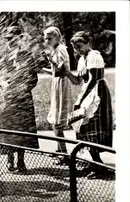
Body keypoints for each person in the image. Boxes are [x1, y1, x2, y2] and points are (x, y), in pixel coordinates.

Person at [62, 31, 113, 179]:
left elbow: (92, 80)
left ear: (87, 43)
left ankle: (99, 166)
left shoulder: (94, 57)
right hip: (88, 93)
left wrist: (79, 101)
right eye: (75, 48)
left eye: (80, 46)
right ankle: (96, 164)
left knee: (92, 127)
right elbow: (78, 81)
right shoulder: (81, 59)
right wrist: (65, 72)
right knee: (84, 127)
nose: (78, 50)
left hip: (98, 93)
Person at [0, 26, 42, 173]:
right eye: (7, 39)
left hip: (23, 98)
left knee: (22, 129)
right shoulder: (5, 58)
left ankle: (21, 161)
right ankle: (10, 160)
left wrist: (23, 88)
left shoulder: (26, 55)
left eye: (12, 38)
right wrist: (3, 84)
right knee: (9, 128)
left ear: (19, 38)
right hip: (9, 98)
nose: (9, 42)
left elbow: (33, 78)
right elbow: (0, 77)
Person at [41, 26, 73, 166]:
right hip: (57, 83)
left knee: (57, 122)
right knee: (55, 121)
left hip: (62, 85)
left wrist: (50, 59)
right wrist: (40, 68)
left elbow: (61, 69)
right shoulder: (55, 50)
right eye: (45, 38)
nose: (46, 40)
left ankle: (64, 154)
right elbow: (55, 72)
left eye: (49, 38)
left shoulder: (60, 50)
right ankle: (61, 150)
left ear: (57, 37)